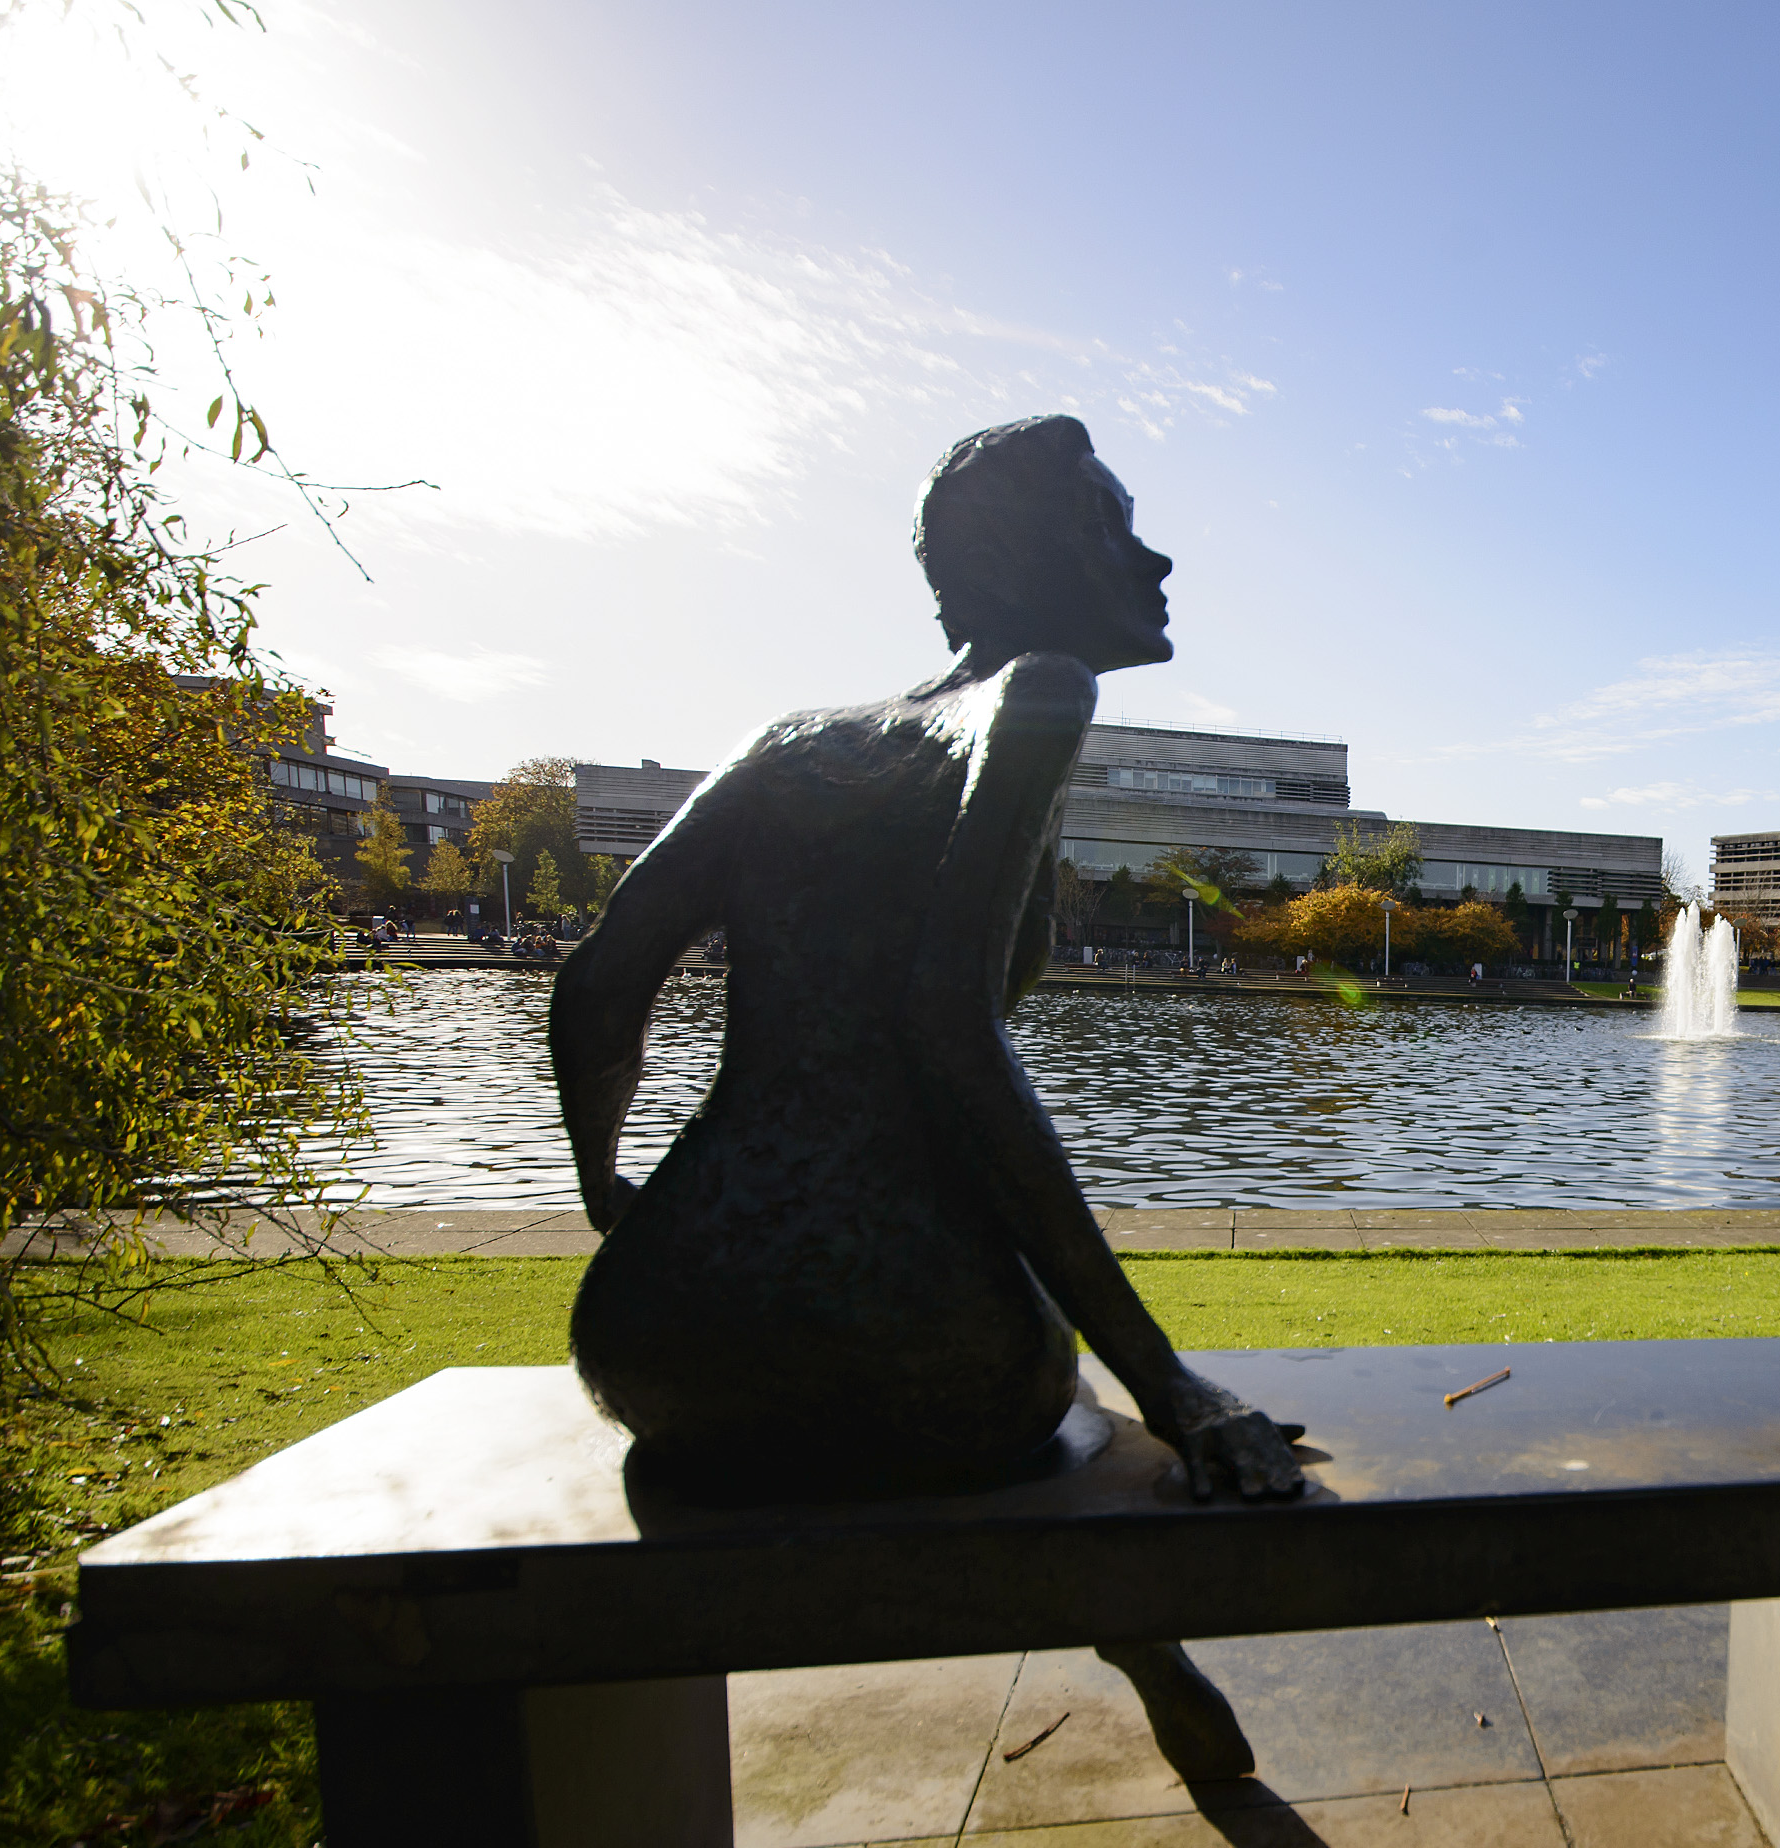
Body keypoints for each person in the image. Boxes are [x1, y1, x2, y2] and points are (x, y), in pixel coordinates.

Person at [549, 416, 1304, 1509]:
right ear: (1009, 562)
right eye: (1104, 523)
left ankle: (1157, 1669)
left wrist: (605, 1184)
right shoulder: (1038, 689)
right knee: (1061, 1409)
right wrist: (1170, 1383)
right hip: (915, 1335)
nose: (1153, 559)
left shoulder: (791, 740)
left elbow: (603, 976)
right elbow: (946, 1020)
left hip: (659, 1331)